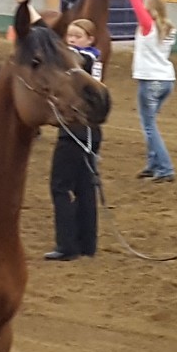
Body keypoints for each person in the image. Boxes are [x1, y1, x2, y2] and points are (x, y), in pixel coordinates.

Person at [45, 16, 104, 261]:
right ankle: (87, 243)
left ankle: (67, 245)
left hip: (75, 132)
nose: (71, 40)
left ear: (90, 39)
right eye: (69, 35)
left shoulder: (85, 59)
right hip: (91, 130)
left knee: (60, 186)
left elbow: (66, 56)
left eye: (77, 36)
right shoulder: (92, 59)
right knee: (84, 187)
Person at [127, 0, 177, 183]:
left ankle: (165, 168)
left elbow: (135, 1)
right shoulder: (167, 28)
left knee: (149, 127)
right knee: (151, 124)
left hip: (151, 81)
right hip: (166, 80)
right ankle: (152, 164)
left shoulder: (148, 26)